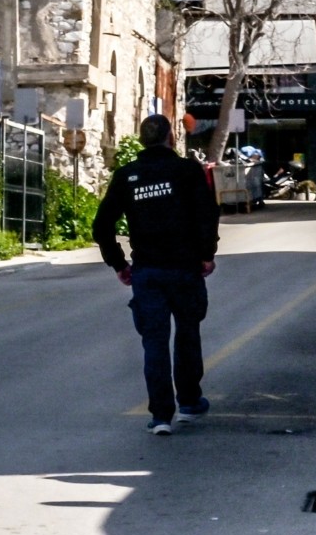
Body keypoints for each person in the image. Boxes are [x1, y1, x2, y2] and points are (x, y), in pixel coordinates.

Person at [92, 114, 221, 435]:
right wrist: (207, 254)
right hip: (184, 268)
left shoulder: (127, 176)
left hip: (147, 271)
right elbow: (207, 213)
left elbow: (102, 225)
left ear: (141, 141)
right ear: (171, 138)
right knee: (188, 334)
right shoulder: (188, 171)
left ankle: (160, 415)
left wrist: (119, 264)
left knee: (154, 342)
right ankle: (189, 402)